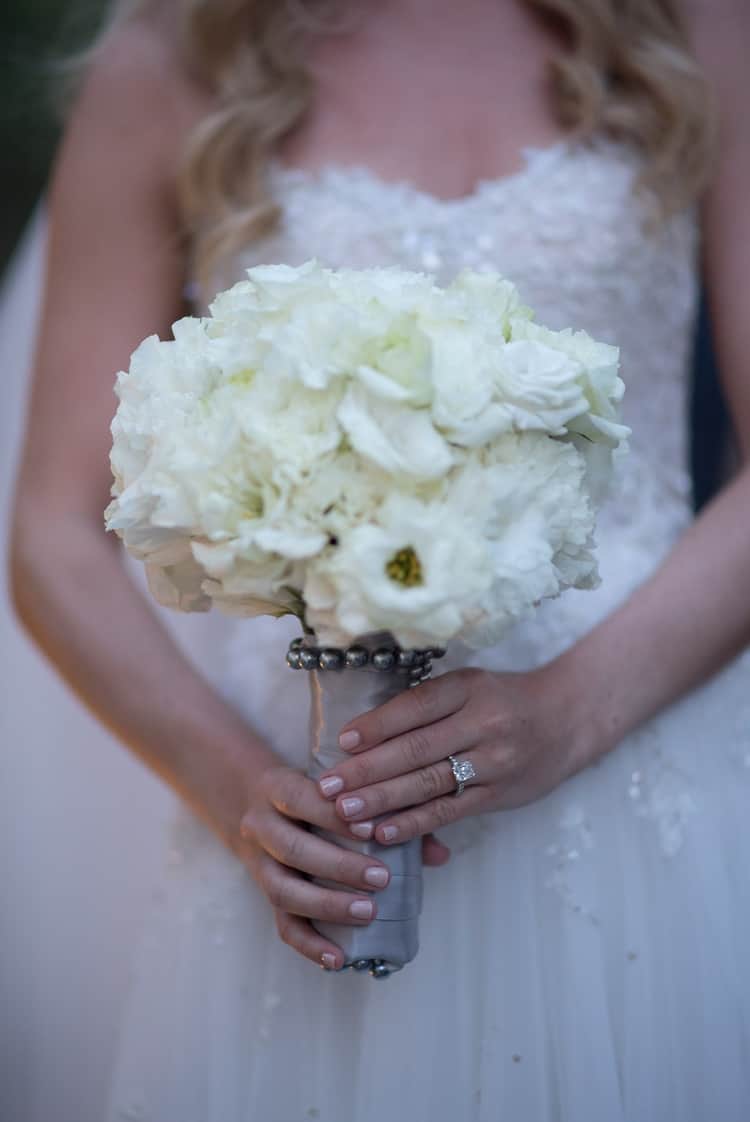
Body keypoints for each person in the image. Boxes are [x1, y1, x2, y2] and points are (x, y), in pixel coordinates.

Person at [7, 0, 750, 1119]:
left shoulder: (698, 28)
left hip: (644, 763)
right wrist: (240, 790)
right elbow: (55, 532)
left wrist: (567, 713)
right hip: (305, 806)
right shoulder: (169, 54)